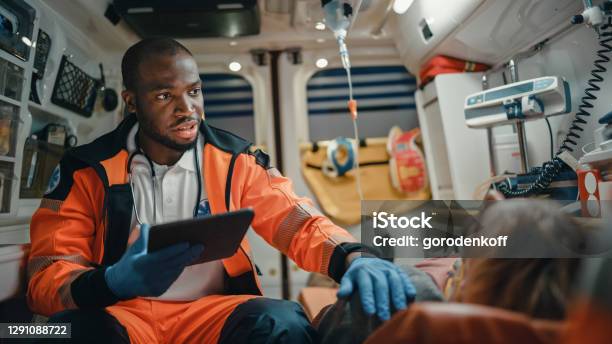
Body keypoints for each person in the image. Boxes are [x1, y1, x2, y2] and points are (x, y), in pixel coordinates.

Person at [26, 37, 415, 344]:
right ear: (131, 102)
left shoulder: (237, 159)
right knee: (44, 334)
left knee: (284, 322)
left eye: (194, 91)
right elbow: (46, 274)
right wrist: (109, 282)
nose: (187, 109)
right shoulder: (85, 169)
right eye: (165, 96)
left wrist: (355, 256)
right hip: (119, 311)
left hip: (208, 311)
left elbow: (297, 222)